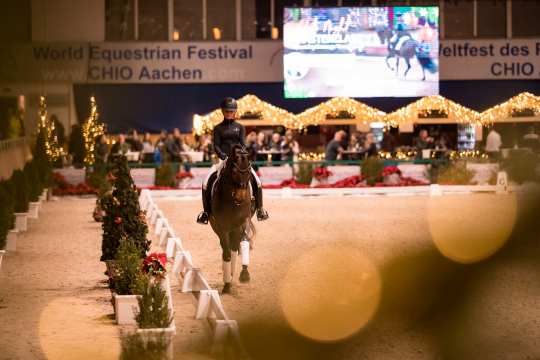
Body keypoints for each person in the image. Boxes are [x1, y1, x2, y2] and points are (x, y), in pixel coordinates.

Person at [196, 97, 269, 225]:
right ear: (223, 112)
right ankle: (206, 213)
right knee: (206, 181)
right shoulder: (218, 128)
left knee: (257, 181)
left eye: (231, 111)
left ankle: (260, 209)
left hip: (238, 160)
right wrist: (223, 156)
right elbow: (216, 145)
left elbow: (242, 144)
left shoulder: (240, 127)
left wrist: (241, 156)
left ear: (235, 112)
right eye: (227, 111)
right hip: (223, 159)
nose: (229, 113)